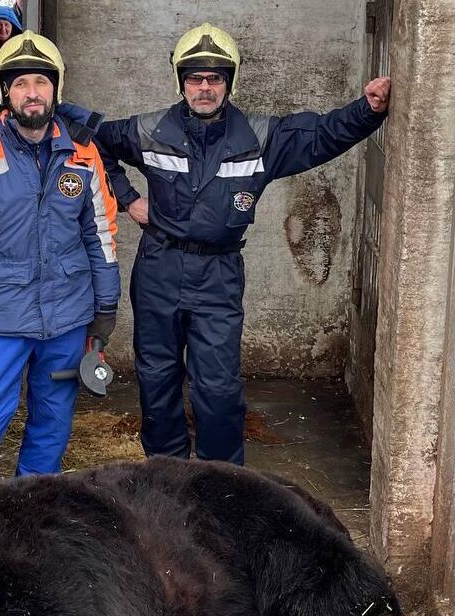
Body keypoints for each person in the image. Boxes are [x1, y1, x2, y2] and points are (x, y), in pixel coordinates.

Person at [94, 23, 391, 467]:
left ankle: (221, 486)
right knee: (157, 377)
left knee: (217, 386)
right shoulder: (149, 129)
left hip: (218, 273)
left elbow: (321, 135)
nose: (205, 87)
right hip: (159, 266)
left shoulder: (259, 137)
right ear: (181, 81)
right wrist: (128, 198)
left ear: (230, 81)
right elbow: (96, 143)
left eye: (215, 78)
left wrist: (367, 111)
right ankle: (166, 476)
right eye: (195, 77)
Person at [0, 32, 120, 505]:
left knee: (52, 422)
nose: (32, 92)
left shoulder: (83, 151)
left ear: (56, 89)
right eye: (20, 84)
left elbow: (101, 233)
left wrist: (106, 305)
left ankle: (33, 512)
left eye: (41, 82)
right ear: (5, 92)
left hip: (68, 317)